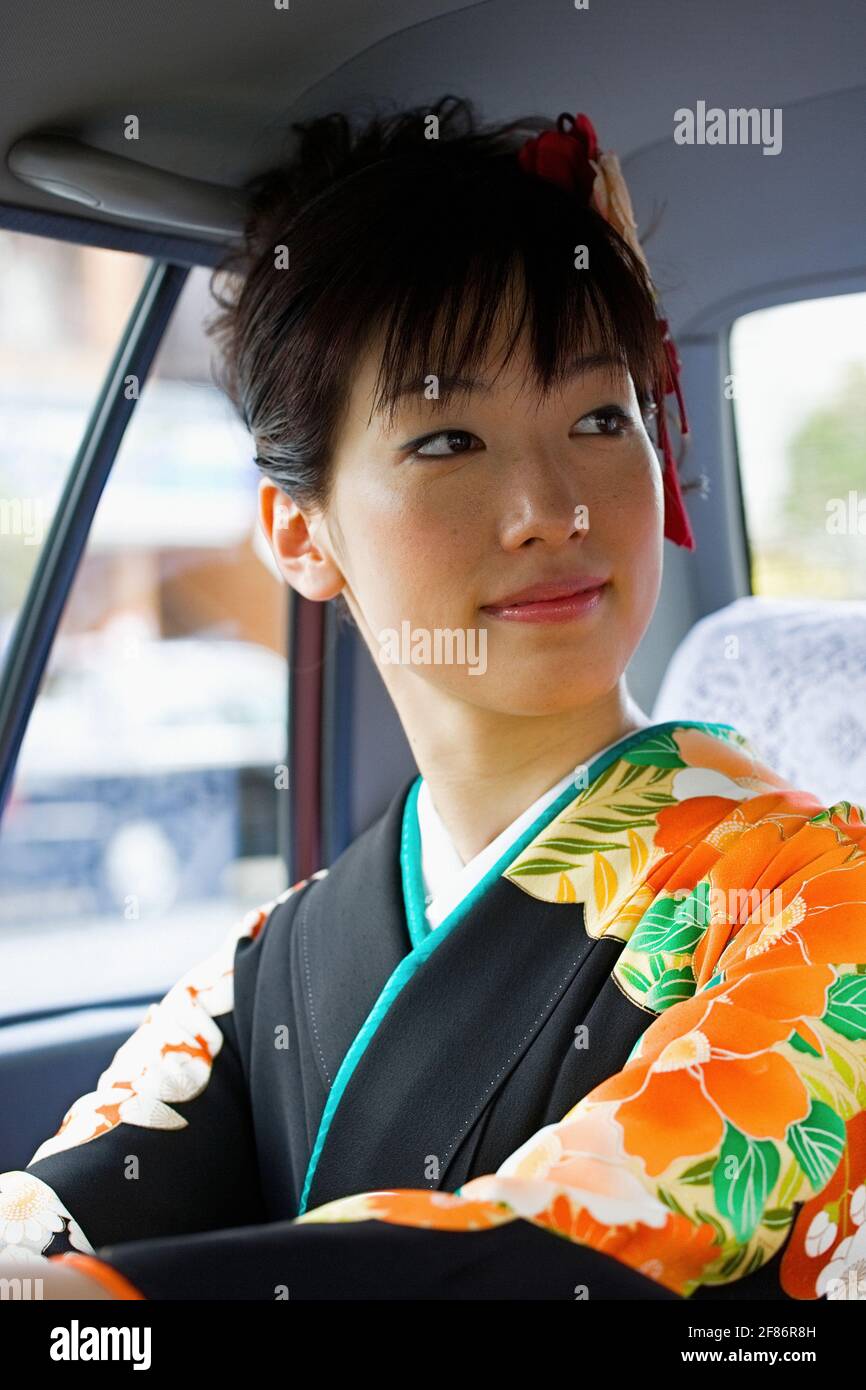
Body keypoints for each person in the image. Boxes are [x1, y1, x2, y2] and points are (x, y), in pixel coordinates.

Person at [2, 95, 865, 1302]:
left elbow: (553, 1248)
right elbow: (72, 1194)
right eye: (448, 439)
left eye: (598, 418)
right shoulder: (277, 960)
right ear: (299, 533)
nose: (552, 510)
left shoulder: (824, 908)